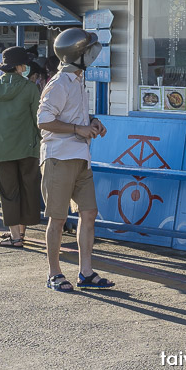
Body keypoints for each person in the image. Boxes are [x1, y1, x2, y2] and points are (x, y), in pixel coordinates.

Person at [37, 29, 113, 292]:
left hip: (80, 156)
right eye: (89, 51)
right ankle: (54, 273)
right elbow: (43, 119)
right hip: (59, 157)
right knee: (57, 218)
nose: (93, 56)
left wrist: (90, 122)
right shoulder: (59, 83)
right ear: (77, 54)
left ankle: (86, 272)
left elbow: (70, 116)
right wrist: (77, 129)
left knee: (88, 213)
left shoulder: (77, 81)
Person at [0, 46, 43, 249]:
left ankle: (15, 236)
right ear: (19, 67)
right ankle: (21, 232)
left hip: (0, 149)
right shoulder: (30, 88)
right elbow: (38, 120)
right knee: (28, 190)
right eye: (25, 64)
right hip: (27, 148)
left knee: (8, 193)